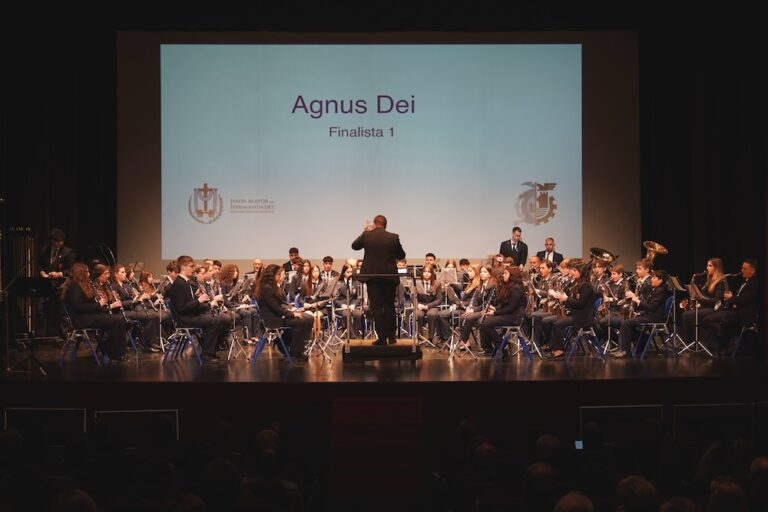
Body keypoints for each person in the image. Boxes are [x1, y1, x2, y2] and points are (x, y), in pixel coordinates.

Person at [351, 215, 406, 346]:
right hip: (388, 277)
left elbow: (354, 246)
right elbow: (401, 255)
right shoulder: (393, 237)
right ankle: (392, 336)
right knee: (389, 306)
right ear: (386, 225)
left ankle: (381, 338)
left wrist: (365, 231)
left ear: (374, 225)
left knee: (376, 307)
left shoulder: (367, 235)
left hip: (372, 277)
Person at [166, 255, 229, 361]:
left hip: (192, 315)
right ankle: (207, 354)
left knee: (223, 318)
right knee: (216, 321)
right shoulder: (179, 284)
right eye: (191, 266)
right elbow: (181, 308)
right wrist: (198, 301)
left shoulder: (187, 282)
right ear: (183, 267)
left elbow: (191, 304)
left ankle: (213, 350)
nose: (193, 268)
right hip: (185, 319)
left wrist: (205, 304)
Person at [61, 262, 128, 361]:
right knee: (117, 320)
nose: (88, 274)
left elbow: (87, 305)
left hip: (89, 316)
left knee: (119, 319)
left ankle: (112, 350)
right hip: (82, 320)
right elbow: (79, 307)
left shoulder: (81, 285)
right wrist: (99, 304)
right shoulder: (74, 286)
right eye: (87, 272)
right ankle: (116, 353)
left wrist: (103, 306)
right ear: (81, 273)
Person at [254, 264, 312, 361]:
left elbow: (282, 304)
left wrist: (292, 309)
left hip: (278, 315)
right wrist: (292, 314)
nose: (284, 276)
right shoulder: (267, 288)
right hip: (273, 320)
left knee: (309, 318)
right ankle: (295, 352)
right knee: (301, 321)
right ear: (274, 276)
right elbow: (276, 308)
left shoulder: (273, 287)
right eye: (281, 274)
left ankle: (297, 348)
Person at [702, 259, 759, 355]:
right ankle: (726, 339)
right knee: (707, 320)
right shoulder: (745, 282)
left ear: (752, 270)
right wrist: (732, 297)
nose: (742, 270)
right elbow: (739, 298)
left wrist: (732, 298)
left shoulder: (754, 284)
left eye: (744, 269)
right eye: (742, 268)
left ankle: (725, 341)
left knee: (710, 320)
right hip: (735, 312)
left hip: (744, 315)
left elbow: (744, 301)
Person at [612, 270, 669, 358]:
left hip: (654, 317)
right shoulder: (654, 289)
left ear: (660, 280)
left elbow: (651, 307)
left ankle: (624, 351)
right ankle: (643, 341)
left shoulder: (660, 291)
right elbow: (644, 296)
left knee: (626, 323)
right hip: (648, 315)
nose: (651, 280)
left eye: (654, 278)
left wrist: (637, 300)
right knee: (627, 322)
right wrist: (639, 286)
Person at [548, 259, 596, 359]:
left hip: (583, 318)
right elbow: (574, 301)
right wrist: (563, 298)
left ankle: (559, 351)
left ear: (581, 272)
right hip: (577, 314)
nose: (571, 272)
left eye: (574, 270)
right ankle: (554, 348)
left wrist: (566, 299)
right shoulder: (577, 284)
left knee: (557, 324)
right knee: (555, 322)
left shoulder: (586, 286)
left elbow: (581, 304)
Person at [38, 228, 76, 339]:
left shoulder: (68, 252)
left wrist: (59, 273)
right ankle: (42, 336)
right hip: (45, 284)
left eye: (62, 241)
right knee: (41, 310)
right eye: (57, 241)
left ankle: (65, 336)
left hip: (61, 285)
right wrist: (42, 272)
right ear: (52, 241)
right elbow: (40, 264)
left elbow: (71, 269)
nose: (60, 243)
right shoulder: (44, 250)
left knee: (62, 311)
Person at [479, 266, 527, 354]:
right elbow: (506, 305)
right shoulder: (510, 287)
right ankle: (500, 345)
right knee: (484, 322)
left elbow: (511, 308)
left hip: (514, 318)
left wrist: (495, 313)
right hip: (509, 315)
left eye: (505, 273)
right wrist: (495, 308)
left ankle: (502, 344)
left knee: (485, 324)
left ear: (512, 275)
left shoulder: (516, 288)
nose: (503, 275)